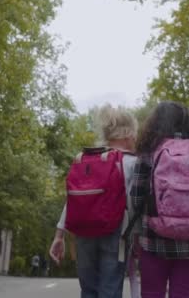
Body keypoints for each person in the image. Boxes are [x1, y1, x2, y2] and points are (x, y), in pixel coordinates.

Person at [49, 104, 138, 298]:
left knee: (88, 290)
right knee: (110, 288)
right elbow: (134, 204)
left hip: (84, 233)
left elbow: (72, 201)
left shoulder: (88, 159)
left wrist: (59, 235)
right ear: (128, 134)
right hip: (116, 234)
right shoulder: (131, 162)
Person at [130, 101, 189, 298]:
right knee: (184, 294)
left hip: (153, 239)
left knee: (152, 293)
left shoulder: (149, 152)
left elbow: (136, 197)